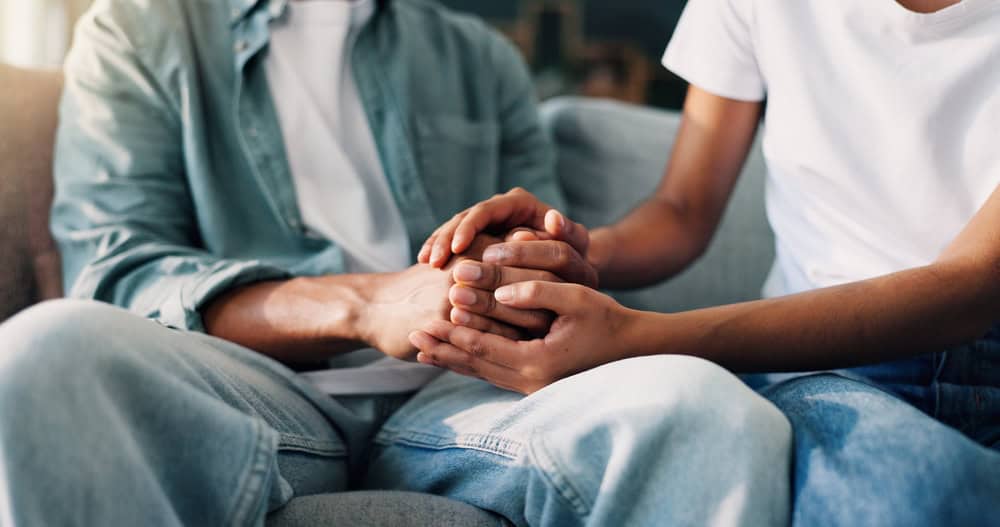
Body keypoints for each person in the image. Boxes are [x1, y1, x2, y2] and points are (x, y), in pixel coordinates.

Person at [0, 0, 792, 525]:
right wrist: (369, 305)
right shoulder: (141, 30)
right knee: (41, 353)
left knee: (713, 412)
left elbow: (553, 278)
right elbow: (118, 275)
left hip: (464, 393)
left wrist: (514, 273)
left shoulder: (477, 56)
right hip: (251, 392)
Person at [412, 0, 1000, 524]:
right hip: (829, 367)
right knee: (920, 493)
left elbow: (971, 289)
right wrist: (569, 253)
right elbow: (683, 210)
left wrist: (637, 337)